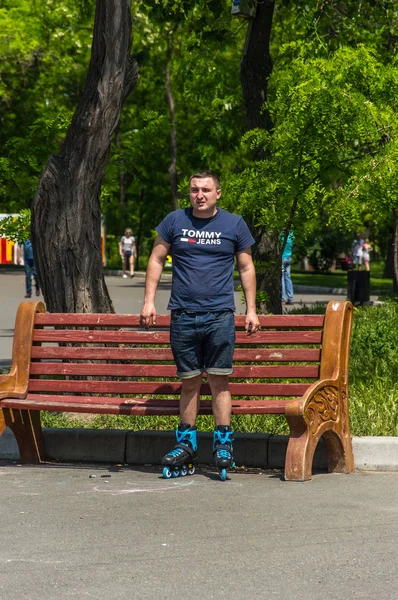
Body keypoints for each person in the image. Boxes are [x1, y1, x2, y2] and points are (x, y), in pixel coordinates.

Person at [140, 170, 260, 478]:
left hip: (220, 315)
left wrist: (251, 309)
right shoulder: (174, 221)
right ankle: (186, 444)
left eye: (206, 189)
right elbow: (156, 259)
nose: (200, 195)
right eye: (194, 190)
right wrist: (149, 301)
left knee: (219, 381)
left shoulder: (233, 224)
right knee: (190, 381)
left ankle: (223, 442)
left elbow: (246, 267)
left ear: (218, 193)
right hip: (183, 315)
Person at [281, 230, 294, 305]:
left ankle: (283, 298)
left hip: (282, 259)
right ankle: (291, 298)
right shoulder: (291, 234)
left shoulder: (281, 235)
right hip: (288, 259)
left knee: (282, 277)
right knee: (288, 277)